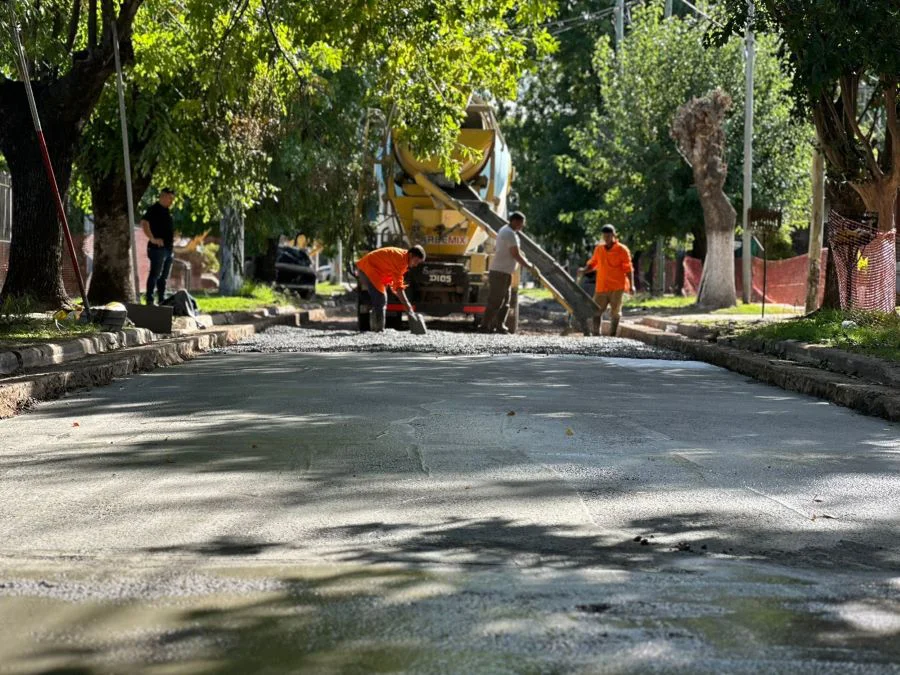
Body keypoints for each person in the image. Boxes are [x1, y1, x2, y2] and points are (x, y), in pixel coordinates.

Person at [481, 211, 539, 334]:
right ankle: (485, 325)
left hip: (505, 272)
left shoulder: (509, 232)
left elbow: (516, 252)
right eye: (521, 223)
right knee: (495, 300)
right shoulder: (508, 233)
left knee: (505, 302)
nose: (521, 226)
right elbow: (515, 254)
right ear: (515, 221)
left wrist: (527, 263)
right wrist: (529, 266)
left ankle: (499, 325)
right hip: (499, 272)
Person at [356, 245, 426, 332]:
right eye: (416, 261)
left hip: (372, 270)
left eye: (418, 263)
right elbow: (399, 287)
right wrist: (408, 307)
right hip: (368, 269)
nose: (416, 265)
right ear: (411, 255)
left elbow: (394, 281)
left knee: (379, 299)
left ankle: (375, 328)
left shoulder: (403, 258)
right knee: (381, 298)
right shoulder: (401, 259)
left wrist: (397, 293)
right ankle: (378, 330)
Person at [581, 224, 634, 336]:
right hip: (602, 286)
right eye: (604, 236)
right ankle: (596, 334)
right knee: (596, 311)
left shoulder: (622, 250)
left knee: (615, 313)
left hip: (617, 287)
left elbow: (628, 269)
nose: (606, 238)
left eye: (608, 236)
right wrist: (584, 270)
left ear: (614, 235)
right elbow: (592, 263)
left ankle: (612, 335)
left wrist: (632, 285)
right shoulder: (599, 249)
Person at [141, 188, 176, 305]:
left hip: (169, 249)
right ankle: (150, 300)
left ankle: (162, 299)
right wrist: (152, 238)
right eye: (170, 198)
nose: (171, 201)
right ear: (163, 196)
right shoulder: (153, 209)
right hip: (157, 249)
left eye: (173, 199)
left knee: (164, 277)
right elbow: (144, 223)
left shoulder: (168, 211)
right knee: (155, 274)